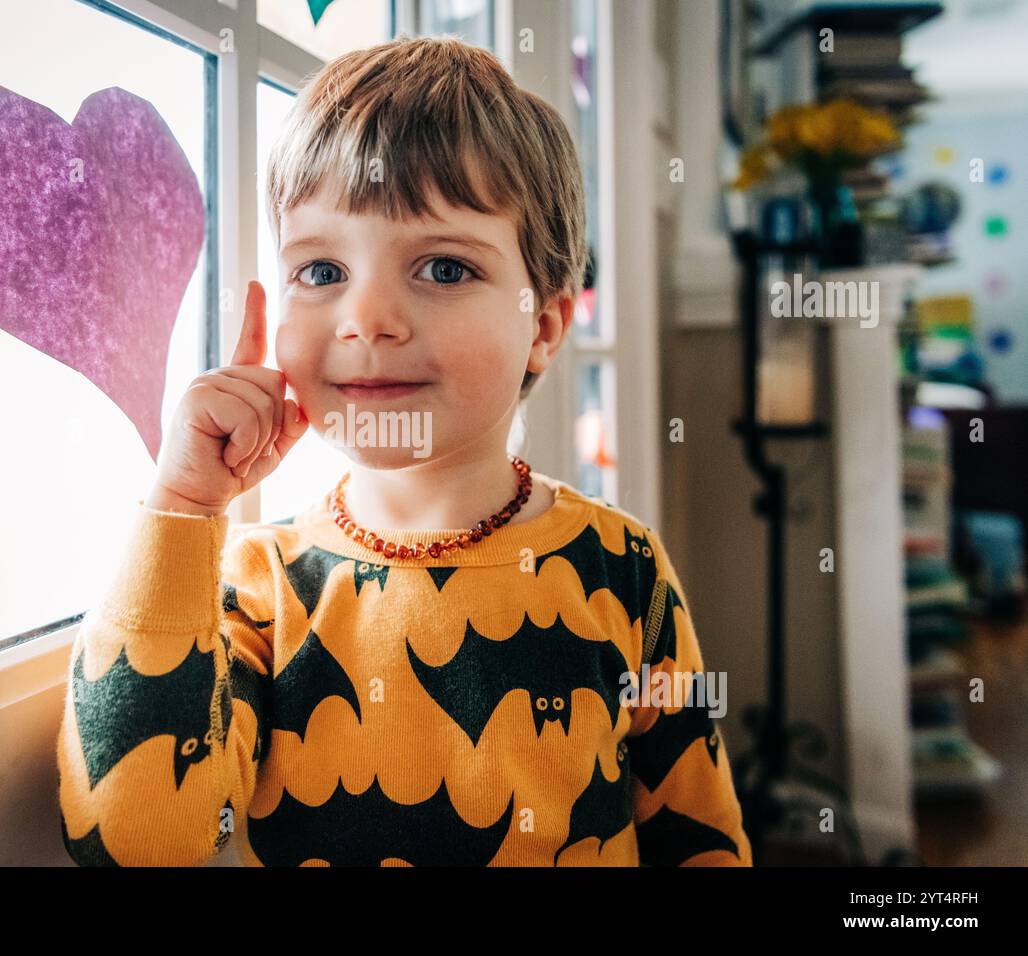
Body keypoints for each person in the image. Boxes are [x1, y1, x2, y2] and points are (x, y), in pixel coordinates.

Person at [56, 35, 751, 867]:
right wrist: (181, 505)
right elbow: (133, 840)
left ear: (544, 325)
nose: (368, 318)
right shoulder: (260, 588)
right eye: (319, 271)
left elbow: (701, 839)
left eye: (446, 269)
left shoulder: (622, 567)